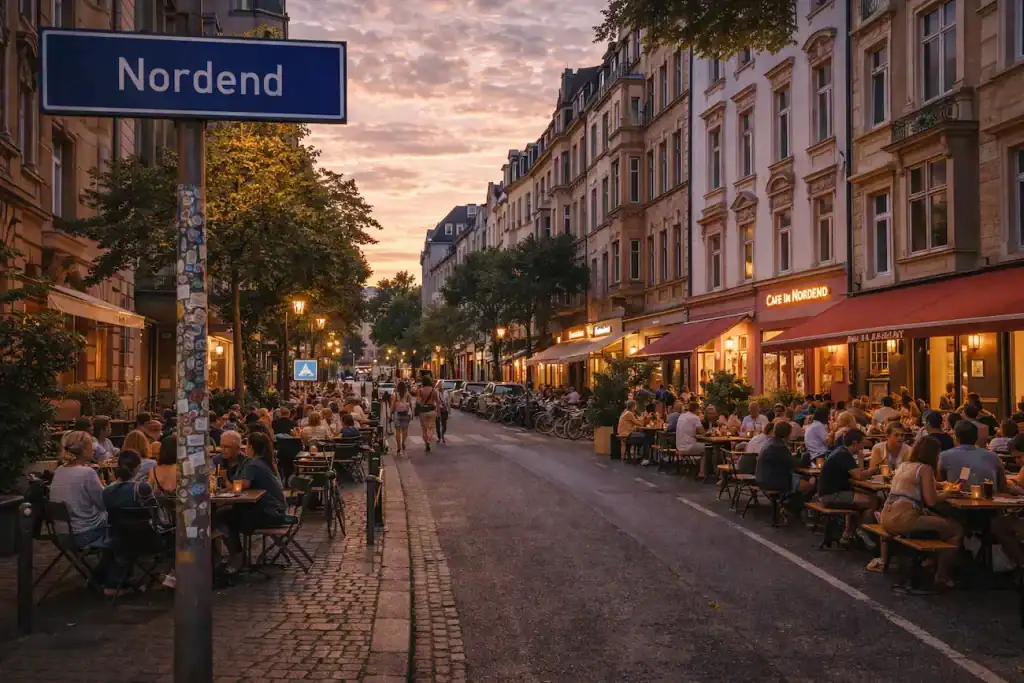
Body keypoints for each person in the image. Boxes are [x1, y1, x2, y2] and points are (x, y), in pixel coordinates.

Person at [878, 436, 963, 586]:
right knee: (955, 530)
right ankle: (941, 575)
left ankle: (930, 561)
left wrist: (944, 486)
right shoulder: (926, 468)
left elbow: (926, 485)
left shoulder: (905, 465)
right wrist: (948, 494)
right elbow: (931, 500)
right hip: (904, 518)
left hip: (887, 516)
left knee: (938, 522)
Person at [818, 429, 881, 546]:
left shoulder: (841, 451)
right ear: (854, 443)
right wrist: (875, 469)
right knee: (872, 501)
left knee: (864, 500)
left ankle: (848, 534)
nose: (864, 445)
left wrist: (861, 458)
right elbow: (860, 476)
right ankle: (861, 531)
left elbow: (858, 474)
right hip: (831, 496)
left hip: (829, 493)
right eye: (862, 443)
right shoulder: (843, 455)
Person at [937, 420, 1009, 490]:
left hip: (956, 499)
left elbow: (940, 484)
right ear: (976, 438)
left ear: (955, 437)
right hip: (991, 499)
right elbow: (1003, 487)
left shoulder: (944, 456)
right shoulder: (993, 456)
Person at [675, 401, 707, 472]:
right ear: (697, 409)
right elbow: (702, 432)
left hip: (679, 447)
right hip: (688, 446)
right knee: (707, 449)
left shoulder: (682, 415)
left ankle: (695, 468)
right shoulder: (695, 417)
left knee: (704, 447)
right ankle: (702, 473)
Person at [416, 376, 439, 452]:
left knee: (424, 429)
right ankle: (429, 439)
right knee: (431, 427)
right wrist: (438, 411)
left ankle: (426, 443)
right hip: (432, 410)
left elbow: (418, 401)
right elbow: (437, 402)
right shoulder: (434, 390)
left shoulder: (420, 390)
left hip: (423, 411)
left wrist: (417, 410)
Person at [392, 382, 413, 455]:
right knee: (405, 430)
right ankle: (403, 443)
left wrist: (390, 413)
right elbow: (410, 404)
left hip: (397, 414)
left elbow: (392, 405)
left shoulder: (395, 394)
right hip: (406, 414)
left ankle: (398, 446)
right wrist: (412, 413)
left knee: (397, 431)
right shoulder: (407, 395)